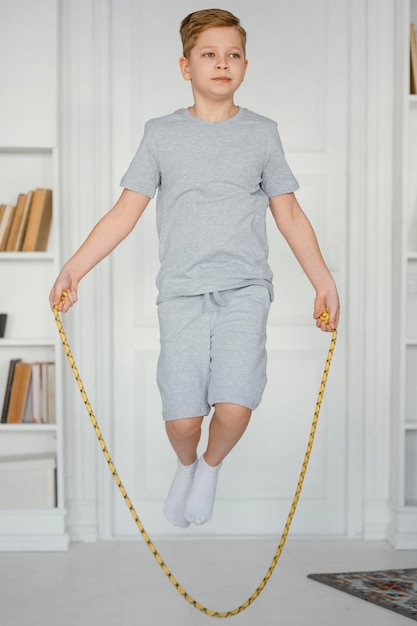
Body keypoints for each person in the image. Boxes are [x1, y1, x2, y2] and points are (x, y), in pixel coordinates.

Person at [50, 8, 340, 529]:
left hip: (245, 290)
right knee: (184, 419)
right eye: (209, 54)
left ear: (245, 67)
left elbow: (289, 213)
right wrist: (73, 269)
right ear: (186, 67)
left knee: (234, 407)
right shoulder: (160, 134)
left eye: (232, 56)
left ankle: (210, 467)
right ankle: (186, 464)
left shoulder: (262, 133)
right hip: (182, 294)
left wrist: (324, 282)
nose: (221, 64)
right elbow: (124, 212)